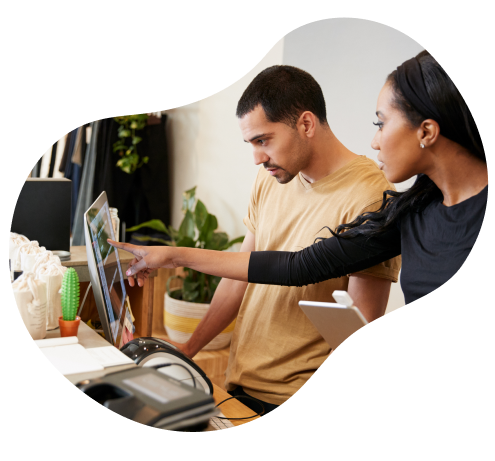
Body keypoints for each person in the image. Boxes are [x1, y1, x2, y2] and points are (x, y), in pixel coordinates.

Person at [110, 65, 402, 414]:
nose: (257, 158)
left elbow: (357, 328)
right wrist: (188, 350)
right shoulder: (273, 178)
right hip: (239, 384)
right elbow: (239, 279)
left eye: (263, 140)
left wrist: (176, 256)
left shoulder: (369, 197)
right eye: (250, 144)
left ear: (306, 124)